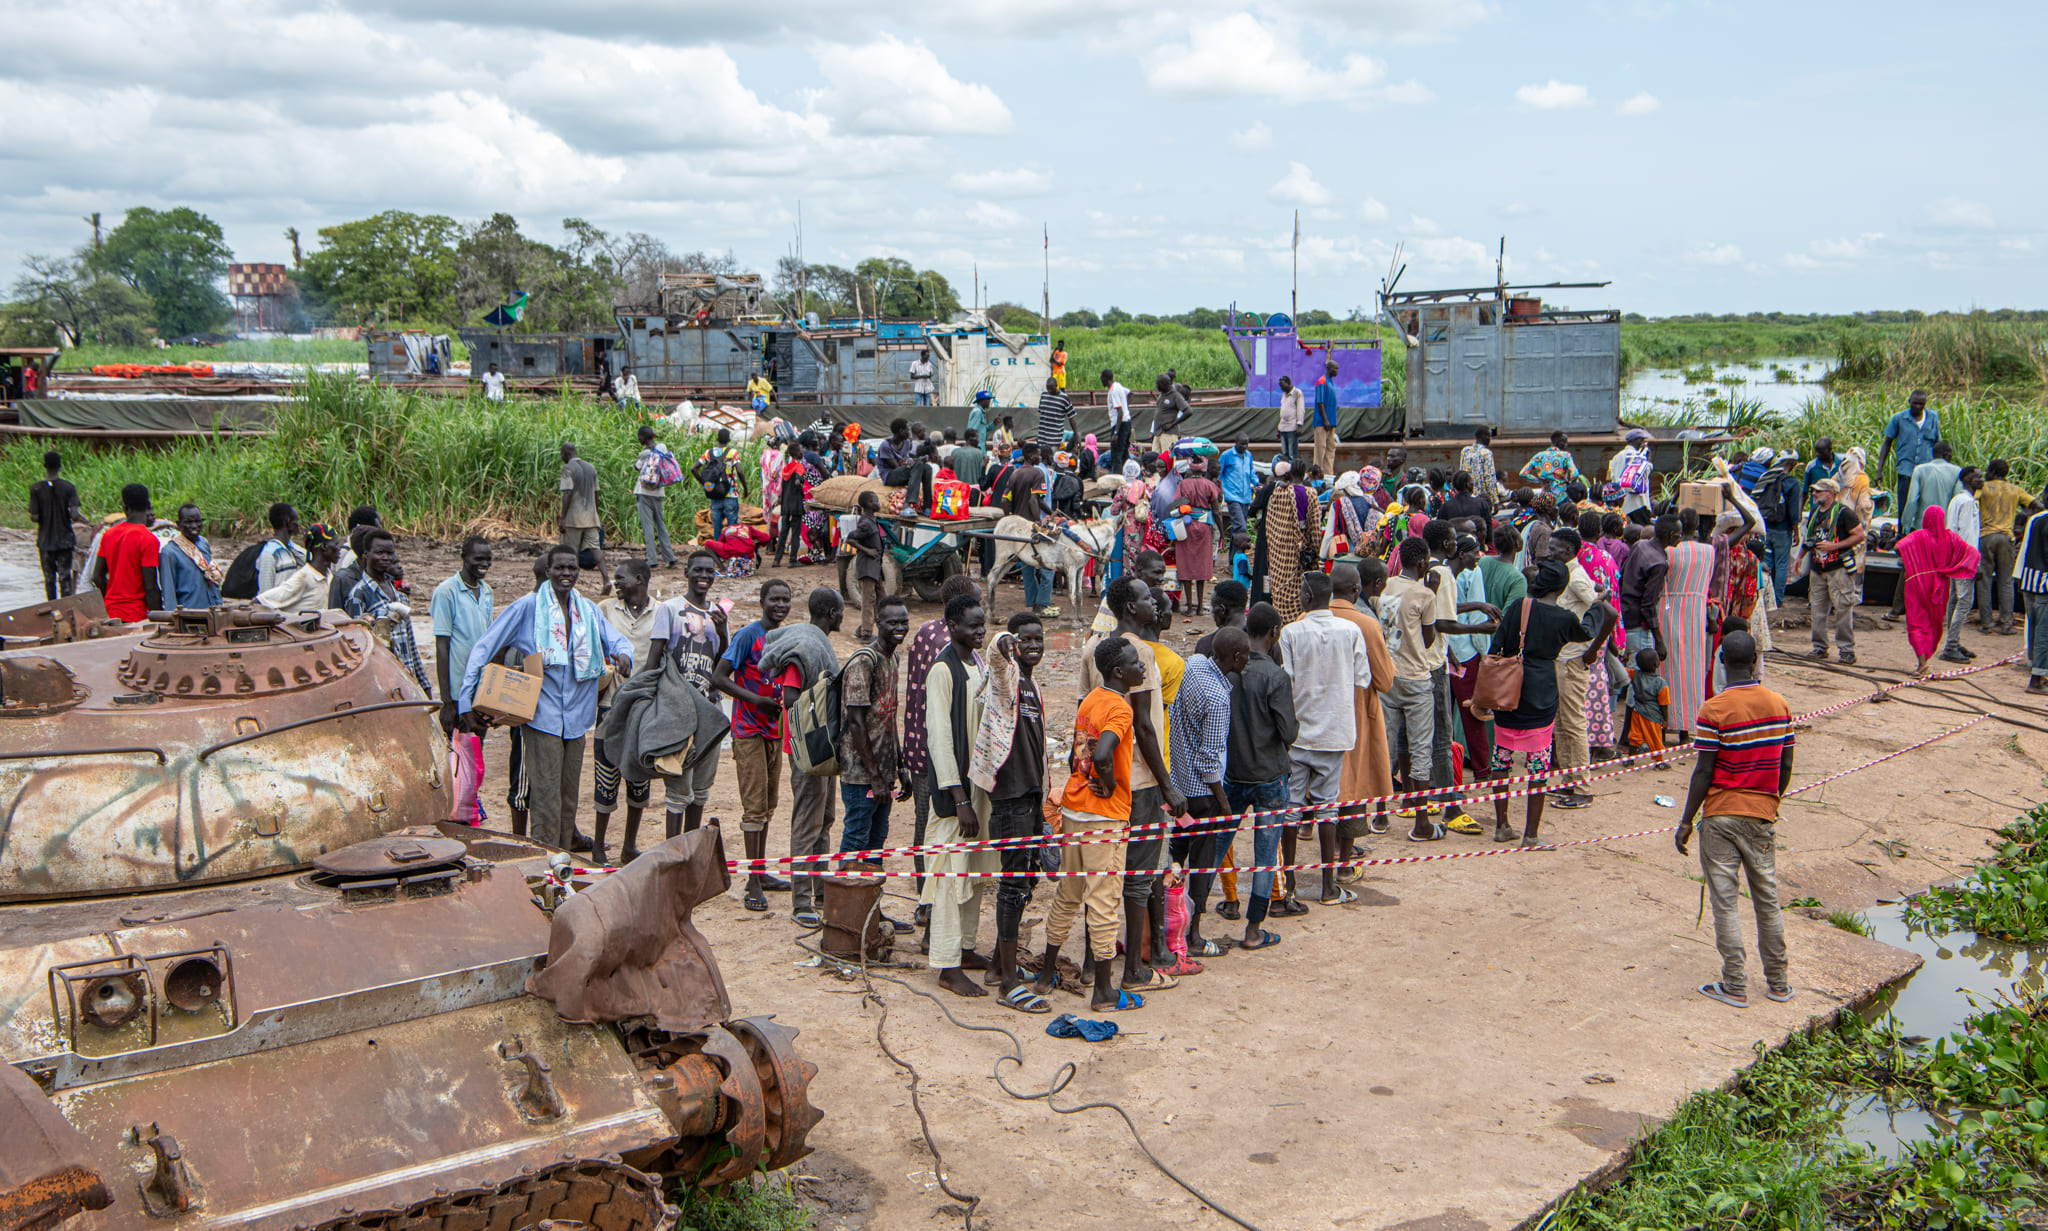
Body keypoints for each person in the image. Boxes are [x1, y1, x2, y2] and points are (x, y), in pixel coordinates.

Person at [458, 545, 634, 851]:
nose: (566, 573)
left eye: (572, 568)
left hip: (577, 719)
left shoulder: (587, 610)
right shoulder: (528, 607)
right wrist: (465, 699)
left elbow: (617, 640)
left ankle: (562, 860)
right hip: (542, 716)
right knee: (545, 799)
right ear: (548, 571)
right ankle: (544, 864)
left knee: (568, 798)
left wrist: (624, 655)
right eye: (560, 568)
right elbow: (485, 647)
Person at [1078, 577, 1185, 992]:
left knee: (1101, 872)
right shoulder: (1139, 653)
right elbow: (1144, 725)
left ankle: (1093, 963)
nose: (1154, 603)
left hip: (1101, 780)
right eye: (1145, 598)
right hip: (1138, 779)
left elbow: (1085, 716)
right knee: (1138, 875)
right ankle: (1135, 970)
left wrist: (1091, 772)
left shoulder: (1093, 648)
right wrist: (1168, 785)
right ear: (1129, 608)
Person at [1677, 631, 1795, 1010]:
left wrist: (1686, 821)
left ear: (1722, 661)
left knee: (1725, 904)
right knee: (1767, 900)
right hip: (1762, 814)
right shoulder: (1779, 704)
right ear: (1756, 660)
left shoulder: (1714, 709)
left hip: (1721, 815)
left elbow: (1704, 770)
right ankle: (1779, 984)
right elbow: (1786, 765)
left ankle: (1735, 986)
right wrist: (1772, 800)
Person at [1037, 634, 1149, 1013]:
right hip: (1105, 816)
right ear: (1119, 671)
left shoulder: (1090, 700)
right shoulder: (1121, 709)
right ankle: (1103, 991)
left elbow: (1078, 754)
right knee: (1103, 900)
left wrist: (1096, 775)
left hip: (1074, 809)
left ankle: (1046, 975)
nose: (1141, 667)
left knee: (1069, 893)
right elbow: (1101, 753)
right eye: (1135, 663)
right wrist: (1110, 782)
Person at [1484, 560, 1613, 848]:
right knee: (1538, 766)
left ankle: (1502, 825)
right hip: (1541, 693)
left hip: (1508, 692)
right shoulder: (1563, 618)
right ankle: (1531, 834)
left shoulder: (1518, 607)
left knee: (1501, 759)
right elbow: (1587, 631)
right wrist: (1596, 605)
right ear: (1563, 587)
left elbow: (1497, 645)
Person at [1274, 569, 1373, 903]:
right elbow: (1362, 679)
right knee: (1328, 807)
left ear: (1306, 597)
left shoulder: (1290, 632)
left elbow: (1286, 680)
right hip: (1335, 731)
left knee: (1292, 808)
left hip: (1299, 732)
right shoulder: (1351, 631)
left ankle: (1289, 883)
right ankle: (1329, 886)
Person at [972, 612, 1051, 1007]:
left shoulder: (1033, 686)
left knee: (1026, 881)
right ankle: (1007, 984)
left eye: (1038, 638)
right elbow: (997, 657)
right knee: (1012, 885)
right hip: (1010, 799)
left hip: (1031, 798)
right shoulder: (1009, 680)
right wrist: (1004, 641)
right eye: (1024, 639)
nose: (1032, 645)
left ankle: (998, 966)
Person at [918, 595, 995, 997]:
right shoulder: (942, 670)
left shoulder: (977, 665)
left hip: (978, 788)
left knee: (974, 872)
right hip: (955, 796)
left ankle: (965, 948)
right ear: (952, 626)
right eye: (972, 625)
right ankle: (947, 965)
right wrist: (960, 799)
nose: (980, 631)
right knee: (950, 877)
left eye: (983, 624)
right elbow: (940, 738)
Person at [712, 577, 797, 906]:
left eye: (785, 599)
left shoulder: (786, 637)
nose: (780, 605)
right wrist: (754, 700)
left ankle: (760, 872)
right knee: (754, 808)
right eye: (774, 599)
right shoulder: (748, 635)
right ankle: (752, 882)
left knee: (769, 804)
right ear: (762, 602)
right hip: (748, 729)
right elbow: (719, 677)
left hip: (775, 729)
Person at [902, 574, 986, 899]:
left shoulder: (925, 631)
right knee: (939, 829)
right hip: (942, 754)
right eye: (974, 602)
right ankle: (930, 901)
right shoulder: (950, 650)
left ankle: (926, 897)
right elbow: (945, 720)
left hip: (918, 742)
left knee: (925, 825)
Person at [1167, 625, 1245, 961]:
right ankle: (1194, 935)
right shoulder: (1218, 697)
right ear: (1236, 657)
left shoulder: (1195, 664)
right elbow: (1209, 759)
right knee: (1201, 866)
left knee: (1174, 858)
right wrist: (1224, 804)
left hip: (1177, 787)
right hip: (1202, 796)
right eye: (1246, 656)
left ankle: (1167, 927)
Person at [643, 549, 731, 839]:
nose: (704, 576)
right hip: (677, 707)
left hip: (710, 707)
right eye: (698, 570)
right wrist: (646, 699)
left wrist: (723, 631)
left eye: (709, 571)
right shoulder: (669, 609)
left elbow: (723, 663)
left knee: (701, 787)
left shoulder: (719, 613)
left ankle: (690, 847)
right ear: (687, 573)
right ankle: (674, 850)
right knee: (678, 786)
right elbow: (655, 656)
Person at [773, 588, 847, 929]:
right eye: (841, 611)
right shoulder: (804, 648)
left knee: (824, 818)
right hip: (807, 750)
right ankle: (801, 900)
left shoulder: (817, 643)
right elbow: (790, 699)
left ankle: (820, 893)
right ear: (831, 613)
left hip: (822, 748)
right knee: (807, 822)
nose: (843, 616)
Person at [835, 592, 910, 868]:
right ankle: (844, 895)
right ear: (878, 623)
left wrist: (900, 767)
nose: (899, 628)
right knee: (856, 839)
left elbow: (887, 720)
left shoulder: (893, 659)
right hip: (860, 774)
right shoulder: (864, 661)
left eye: (903, 622)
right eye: (892, 623)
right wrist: (875, 776)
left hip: (883, 772)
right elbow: (856, 722)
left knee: (876, 841)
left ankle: (871, 896)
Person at [1378, 538, 1444, 840]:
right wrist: (1435, 591)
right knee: (1420, 750)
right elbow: (1428, 639)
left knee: (1385, 746)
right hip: (1416, 678)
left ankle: (1380, 816)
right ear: (1422, 563)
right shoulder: (1425, 594)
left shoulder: (1386, 587)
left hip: (1388, 676)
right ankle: (1421, 823)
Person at [432, 537, 495, 825]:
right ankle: (453, 812)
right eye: (478, 559)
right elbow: (442, 646)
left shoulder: (487, 591)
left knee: (475, 752)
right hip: (458, 691)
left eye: (488, 559)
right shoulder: (446, 592)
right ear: (463, 556)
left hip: (480, 690)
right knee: (456, 755)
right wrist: (447, 701)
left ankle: (468, 808)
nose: (484, 564)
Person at [1894, 504, 1978, 674]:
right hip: (1939, 585)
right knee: (1934, 621)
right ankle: (1928, 654)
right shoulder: (1951, 538)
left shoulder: (1918, 536)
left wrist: (1913, 559)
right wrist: (1956, 568)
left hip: (1917, 582)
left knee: (1916, 623)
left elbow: (1898, 548)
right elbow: (1972, 553)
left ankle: (1922, 661)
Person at [342, 530, 430, 693]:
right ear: (365, 556)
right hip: (381, 684)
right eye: (379, 552)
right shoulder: (359, 595)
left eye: (389, 553)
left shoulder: (398, 594)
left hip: (408, 679)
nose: (385, 557)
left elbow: (410, 644)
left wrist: (424, 684)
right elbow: (358, 647)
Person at [1798, 478, 1865, 665]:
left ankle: (1847, 650)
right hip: (1818, 568)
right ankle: (1819, 647)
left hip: (1838, 569)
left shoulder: (1844, 513)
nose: (1814, 494)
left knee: (1843, 609)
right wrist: (1799, 557)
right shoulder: (1815, 512)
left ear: (1830, 493)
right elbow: (1810, 538)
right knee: (1817, 609)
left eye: (1818, 491)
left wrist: (1834, 546)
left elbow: (1859, 535)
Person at [1659, 512, 1714, 742]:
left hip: (1667, 610)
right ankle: (1686, 729)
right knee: (1692, 671)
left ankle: (1663, 727)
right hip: (1695, 613)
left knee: (1666, 669)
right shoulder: (1709, 551)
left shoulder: (1669, 551)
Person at [1256, 461, 1321, 623]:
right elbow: (1315, 526)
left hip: (1278, 550)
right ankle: (1297, 621)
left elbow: (1271, 523)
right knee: (1298, 588)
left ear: (1289, 474)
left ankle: (1281, 621)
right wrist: (1315, 550)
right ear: (1304, 474)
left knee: (1280, 587)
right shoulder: (1310, 493)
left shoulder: (1278, 492)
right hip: (1299, 550)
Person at [91, 484, 163, 622]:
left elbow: (97, 577)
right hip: (137, 615)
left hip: (111, 613)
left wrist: (111, 599)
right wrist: (160, 618)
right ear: (148, 505)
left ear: (124, 507)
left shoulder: (108, 535)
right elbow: (150, 587)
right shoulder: (148, 539)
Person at [1976, 459, 2028, 635]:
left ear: (1991, 472)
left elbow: (1971, 501)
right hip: (2006, 537)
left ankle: (1987, 623)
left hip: (1986, 536)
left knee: (1985, 580)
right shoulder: (2015, 489)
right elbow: (2035, 504)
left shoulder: (1984, 487)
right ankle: (2006, 623)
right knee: (2006, 582)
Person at [1878, 389, 1941, 530]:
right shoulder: (1899, 419)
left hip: (1926, 471)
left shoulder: (1933, 418)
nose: (1918, 407)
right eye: (1915, 403)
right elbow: (1887, 443)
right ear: (1909, 402)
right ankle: (1902, 533)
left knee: (1925, 505)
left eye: (1921, 404)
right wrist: (1879, 470)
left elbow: (1937, 443)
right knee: (1905, 504)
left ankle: (1922, 533)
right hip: (1906, 470)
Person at [28, 451, 85, 601]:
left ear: (44, 466)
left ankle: (51, 608)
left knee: (49, 579)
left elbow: (34, 517)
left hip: (45, 541)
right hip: (64, 540)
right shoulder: (69, 488)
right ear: (59, 466)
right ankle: (66, 608)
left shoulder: (36, 488)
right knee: (65, 577)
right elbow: (74, 515)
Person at [556, 442, 609, 598]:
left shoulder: (568, 469)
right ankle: (606, 579)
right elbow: (596, 494)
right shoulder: (590, 468)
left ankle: (570, 585)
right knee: (595, 549)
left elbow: (567, 493)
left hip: (574, 518)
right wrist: (596, 515)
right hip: (591, 517)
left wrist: (563, 518)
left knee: (569, 552)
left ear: (565, 454)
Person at [1621, 513, 1675, 664]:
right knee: (1638, 670)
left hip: (1625, 613)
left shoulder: (1640, 545)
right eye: (1678, 534)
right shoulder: (1659, 563)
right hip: (1638, 623)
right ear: (1671, 535)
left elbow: (1622, 575)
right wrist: (1659, 640)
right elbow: (1648, 604)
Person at [1175, 456, 1221, 614]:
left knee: (1185, 565)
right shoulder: (1209, 485)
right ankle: (1200, 606)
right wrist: (1221, 532)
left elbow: (1175, 505)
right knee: (1202, 565)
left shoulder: (1182, 484)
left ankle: (1189, 606)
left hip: (1186, 526)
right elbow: (1216, 511)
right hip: (1204, 527)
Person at [257, 524, 340, 611]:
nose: (339, 549)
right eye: (336, 544)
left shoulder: (328, 575)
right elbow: (262, 600)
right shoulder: (303, 578)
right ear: (324, 546)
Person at [633, 424, 680, 571]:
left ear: (644, 438)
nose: (639, 440)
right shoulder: (662, 447)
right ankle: (669, 559)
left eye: (640, 437)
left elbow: (636, 467)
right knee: (661, 525)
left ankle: (652, 560)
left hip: (644, 492)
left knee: (648, 527)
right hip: (658, 492)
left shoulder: (645, 453)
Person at [158, 503, 221, 609]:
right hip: (188, 611)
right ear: (179, 525)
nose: (194, 526)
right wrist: (172, 615)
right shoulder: (169, 552)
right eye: (189, 522)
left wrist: (218, 603)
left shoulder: (203, 543)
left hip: (210, 609)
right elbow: (169, 591)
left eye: (198, 521)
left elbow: (210, 577)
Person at [694, 428, 748, 547]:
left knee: (717, 528)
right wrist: (745, 488)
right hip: (731, 494)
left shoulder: (709, 453)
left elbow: (694, 468)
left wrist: (704, 483)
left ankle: (718, 552)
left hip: (715, 494)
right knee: (732, 528)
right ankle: (731, 551)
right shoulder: (732, 453)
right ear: (728, 440)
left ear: (717, 439)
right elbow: (739, 471)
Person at [1620, 647, 1672, 767]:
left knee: (1635, 736)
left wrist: (1624, 660)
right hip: (1653, 716)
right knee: (1655, 738)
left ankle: (1630, 758)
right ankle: (1659, 761)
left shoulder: (1635, 675)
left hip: (1637, 712)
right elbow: (1664, 704)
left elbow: (1624, 671)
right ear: (1657, 664)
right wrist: (1665, 719)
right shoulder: (1661, 683)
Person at [848, 490, 886, 640]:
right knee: (869, 600)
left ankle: (871, 626)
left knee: (881, 598)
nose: (878, 503)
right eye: (876, 501)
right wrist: (867, 550)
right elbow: (850, 539)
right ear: (869, 504)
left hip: (874, 568)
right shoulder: (866, 523)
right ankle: (866, 633)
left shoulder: (871, 520)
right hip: (868, 567)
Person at [2020, 496, 2048, 694]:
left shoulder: (2037, 520)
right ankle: (2037, 678)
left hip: (2030, 580)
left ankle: (2034, 665)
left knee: (2034, 627)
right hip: (2044, 583)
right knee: (2044, 633)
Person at [254, 502, 305, 597]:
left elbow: (310, 560)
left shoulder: (290, 547)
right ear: (288, 522)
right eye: (296, 521)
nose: (299, 525)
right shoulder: (269, 554)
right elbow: (265, 592)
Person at [1607, 428, 1656, 524]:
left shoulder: (1616, 457)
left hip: (1622, 503)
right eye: (1643, 441)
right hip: (1638, 503)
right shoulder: (1639, 456)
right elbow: (1645, 473)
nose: (1644, 444)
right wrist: (1648, 459)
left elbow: (1612, 477)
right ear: (1636, 441)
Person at [1520, 431, 1582, 501]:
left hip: (1545, 497)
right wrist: (1570, 484)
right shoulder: (1566, 455)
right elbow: (1575, 474)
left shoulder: (1539, 456)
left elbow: (1523, 473)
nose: (1566, 445)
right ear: (1560, 442)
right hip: (1562, 496)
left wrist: (1540, 481)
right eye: (1565, 442)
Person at [1459, 427, 1510, 510]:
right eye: (1488, 436)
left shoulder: (1465, 451)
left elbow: (1461, 473)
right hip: (1481, 499)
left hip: (1466, 497)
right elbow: (1490, 479)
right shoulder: (1487, 453)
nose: (1489, 439)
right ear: (1482, 436)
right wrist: (1495, 501)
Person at [1218, 431, 1257, 538]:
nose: (1244, 447)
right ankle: (1239, 548)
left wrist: (1256, 482)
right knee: (1241, 527)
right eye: (1241, 444)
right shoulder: (1227, 455)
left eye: (1246, 444)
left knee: (1238, 529)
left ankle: (1234, 549)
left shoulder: (1248, 455)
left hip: (1246, 496)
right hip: (1232, 496)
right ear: (1236, 442)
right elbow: (1218, 473)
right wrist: (1219, 491)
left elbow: (1251, 472)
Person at [1310, 359, 1341, 476]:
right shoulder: (1322, 381)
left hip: (1332, 423)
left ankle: (1328, 475)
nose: (1337, 371)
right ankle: (1316, 476)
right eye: (1335, 369)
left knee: (1330, 449)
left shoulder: (1331, 382)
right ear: (1329, 369)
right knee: (1320, 450)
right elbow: (1320, 402)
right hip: (1322, 423)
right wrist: (1325, 420)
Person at [1101, 369, 1132, 470]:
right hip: (1127, 422)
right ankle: (1127, 474)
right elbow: (1130, 393)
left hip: (1120, 424)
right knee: (1124, 453)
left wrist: (1115, 433)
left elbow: (1120, 413)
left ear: (1105, 379)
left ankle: (1117, 475)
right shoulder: (1118, 386)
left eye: (1102, 379)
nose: (1101, 381)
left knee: (1116, 454)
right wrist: (1126, 406)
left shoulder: (1113, 391)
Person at [1151, 373, 1188, 456]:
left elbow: (1188, 411)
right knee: (1154, 457)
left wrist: (1172, 424)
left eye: (1158, 384)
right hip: (1158, 433)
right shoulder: (1162, 395)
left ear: (1164, 385)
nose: (1156, 386)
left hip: (1168, 434)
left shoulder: (1175, 395)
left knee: (1168, 458)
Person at [1035, 376, 1073, 456]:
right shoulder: (1044, 395)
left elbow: (1071, 417)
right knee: (1042, 458)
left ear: (1056, 386)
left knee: (1052, 458)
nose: (1049, 391)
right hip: (1042, 438)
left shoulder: (1064, 398)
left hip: (1055, 439)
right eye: (1048, 389)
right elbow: (1042, 414)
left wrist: (1076, 434)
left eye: (1051, 389)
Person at [1274, 374, 1304, 465]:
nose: (1281, 388)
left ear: (1288, 383)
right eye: (1280, 386)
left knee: (1292, 453)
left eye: (1283, 385)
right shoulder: (1284, 395)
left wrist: (1299, 425)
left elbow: (1300, 409)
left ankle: (1293, 468)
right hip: (1283, 427)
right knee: (1285, 453)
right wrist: (1279, 427)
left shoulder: (1297, 393)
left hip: (1292, 427)